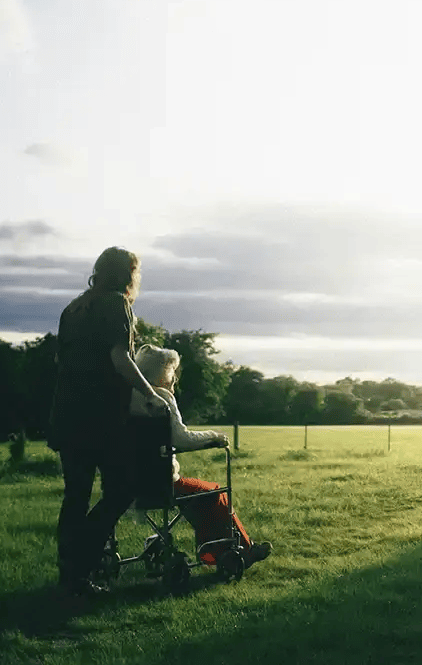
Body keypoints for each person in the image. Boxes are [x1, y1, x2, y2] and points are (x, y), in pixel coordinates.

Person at [48, 246, 169, 597]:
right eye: (137, 272)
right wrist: (151, 394)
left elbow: (64, 360)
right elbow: (120, 358)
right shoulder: (117, 304)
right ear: (127, 274)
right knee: (121, 490)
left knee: (76, 496)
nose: (138, 279)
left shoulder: (74, 307)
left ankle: (71, 576)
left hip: (66, 414)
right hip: (99, 417)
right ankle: (81, 560)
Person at [129, 344, 273, 569]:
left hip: (128, 480)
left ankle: (217, 550)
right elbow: (182, 438)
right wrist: (214, 436)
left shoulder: (127, 396)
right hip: (161, 481)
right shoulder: (161, 397)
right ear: (162, 373)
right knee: (214, 493)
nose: (174, 378)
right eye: (171, 372)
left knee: (200, 496)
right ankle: (239, 550)